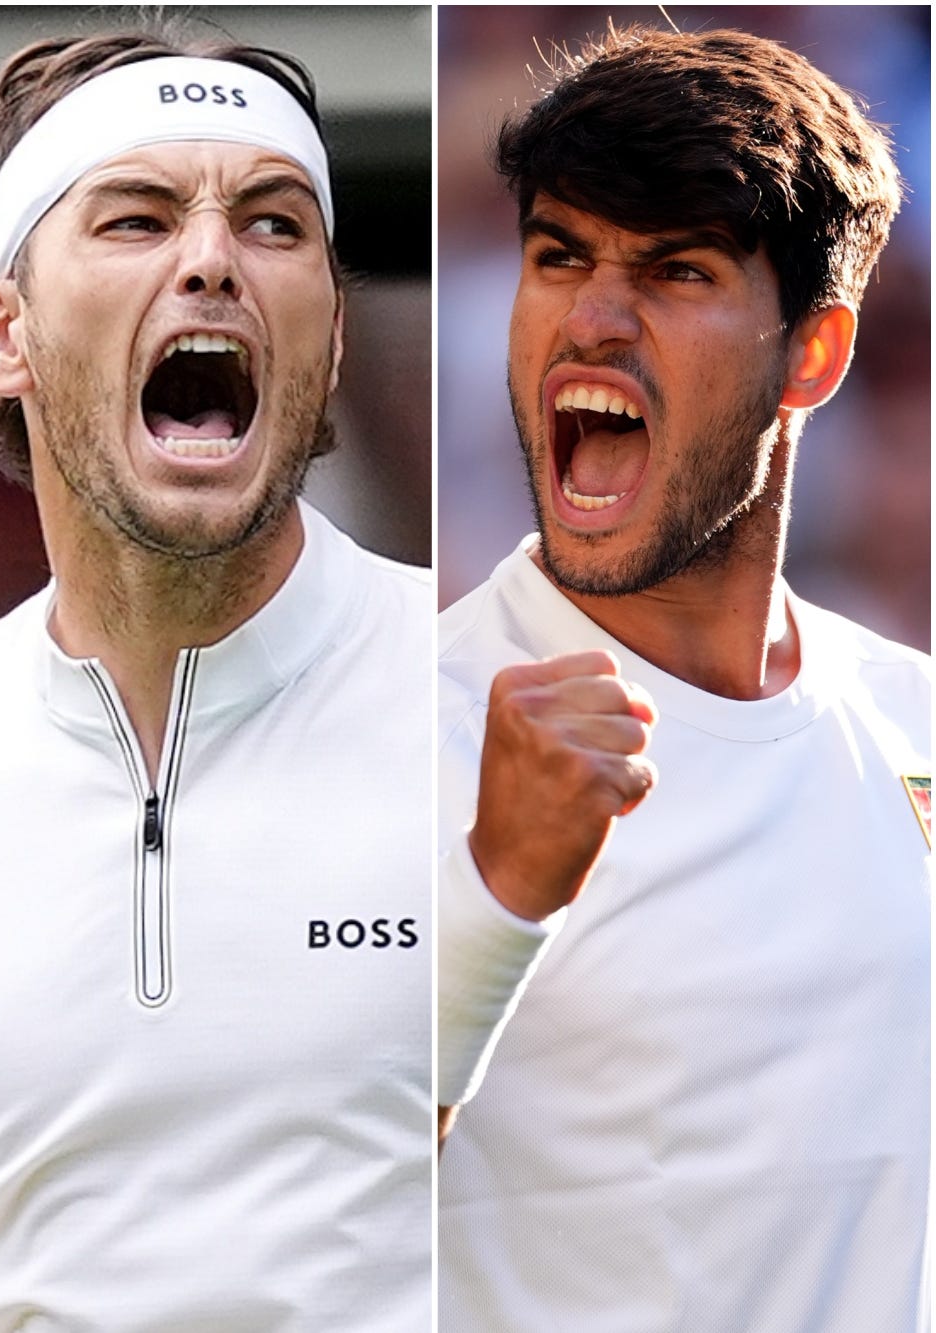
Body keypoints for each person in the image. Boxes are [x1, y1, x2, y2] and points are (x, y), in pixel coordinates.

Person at [436, 26, 929, 1330]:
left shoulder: (912, 720)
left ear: (815, 354)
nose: (592, 316)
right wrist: (495, 897)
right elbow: (252, 1226)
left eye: (675, 270)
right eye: (558, 258)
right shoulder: (376, 738)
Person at [0, 30, 432, 1330]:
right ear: (3, 333)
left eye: (275, 224)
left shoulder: (513, 698)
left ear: (328, 338)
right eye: (137, 217)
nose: (212, 257)